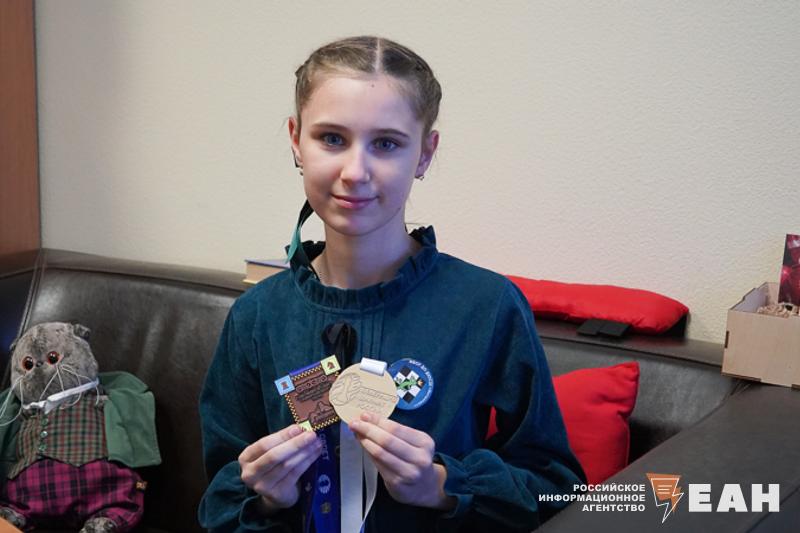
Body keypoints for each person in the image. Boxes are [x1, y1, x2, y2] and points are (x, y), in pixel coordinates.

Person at [198, 35, 584, 532]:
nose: (355, 172)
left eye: (386, 144)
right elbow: (219, 496)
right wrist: (266, 499)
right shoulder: (256, 316)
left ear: (424, 154)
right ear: (296, 140)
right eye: (331, 138)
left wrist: (440, 485)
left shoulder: (487, 307)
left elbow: (557, 489)